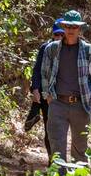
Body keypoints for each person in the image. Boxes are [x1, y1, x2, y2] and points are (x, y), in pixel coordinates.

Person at [38, 10, 91, 167]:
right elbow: (44, 72)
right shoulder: (51, 49)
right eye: (68, 26)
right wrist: (47, 95)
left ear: (80, 29)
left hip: (81, 104)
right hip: (58, 103)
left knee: (80, 148)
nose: (71, 30)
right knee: (57, 147)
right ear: (63, 26)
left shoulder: (88, 50)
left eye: (74, 27)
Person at [26, 20, 64, 161]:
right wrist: (35, 88)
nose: (59, 37)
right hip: (45, 93)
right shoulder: (45, 48)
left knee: (57, 129)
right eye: (56, 34)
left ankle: (57, 158)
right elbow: (37, 69)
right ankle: (51, 158)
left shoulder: (69, 49)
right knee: (50, 127)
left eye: (62, 34)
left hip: (61, 95)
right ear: (52, 34)